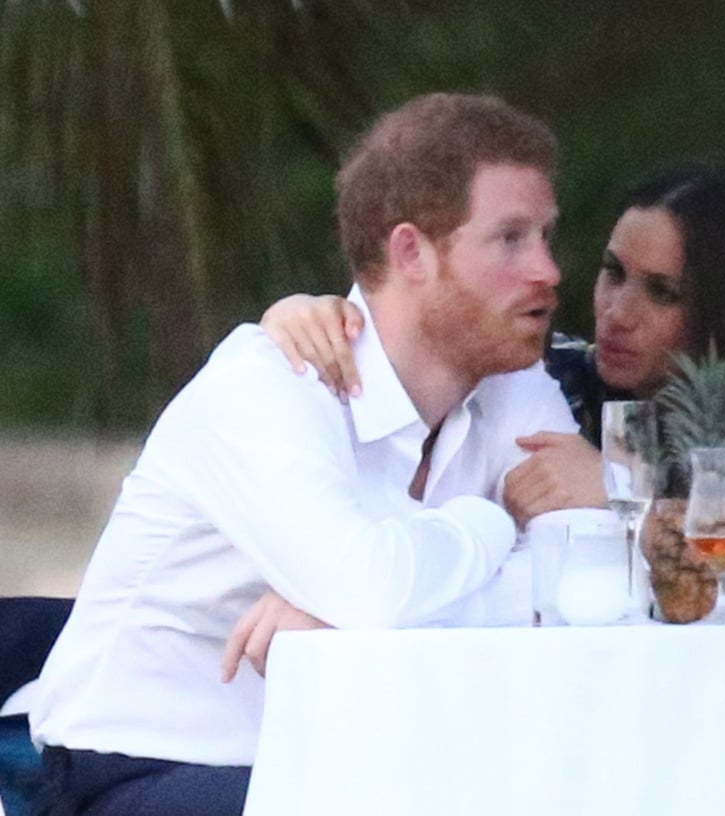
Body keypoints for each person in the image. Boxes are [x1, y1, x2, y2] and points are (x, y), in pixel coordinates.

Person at [29, 92, 578, 816]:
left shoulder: (514, 384)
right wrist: (495, 523)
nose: (548, 270)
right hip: (146, 765)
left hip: (337, 763)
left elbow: (583, 583)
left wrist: (366, 611)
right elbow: (370, 586)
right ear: (411, 251)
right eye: (510, 239)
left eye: (547, 235)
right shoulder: (272, 380)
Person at [257, 164, 725, 623]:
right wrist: (306, 317)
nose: (618, 312)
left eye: (662, 292)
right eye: (613, 272)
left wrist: (615, 488)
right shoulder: (546, 376)